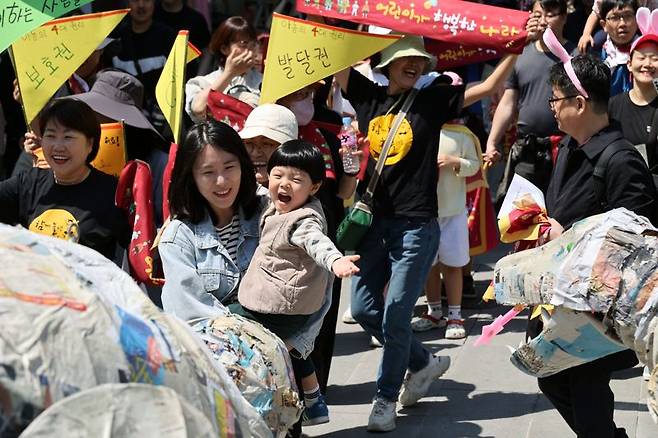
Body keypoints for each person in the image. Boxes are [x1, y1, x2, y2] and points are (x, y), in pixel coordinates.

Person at [333, 31, 530, 431]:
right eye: (405, 58)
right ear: (385, 63)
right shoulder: (368, 96)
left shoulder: (433, 98)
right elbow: (334, 58)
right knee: (365, 310)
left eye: (419, 59)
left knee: (395, 316)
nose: (414, 64)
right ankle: (423, 362)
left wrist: (517, 45)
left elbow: (491, 86)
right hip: (374, 223)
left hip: (416, 227)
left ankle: (385, 399)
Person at [538, 53, 656, 438]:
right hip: (566, 300)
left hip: (599, 312)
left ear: (579, 103)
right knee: (552, 380)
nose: (551, 108)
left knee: (585, 396)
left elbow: (638, 245)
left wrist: (566, 240)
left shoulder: (621, 161)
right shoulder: (569, 148)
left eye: (555, 99)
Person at [231, 140, 360, 427]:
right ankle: (314, 401)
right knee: (290, 347)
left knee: (231, 322)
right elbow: (262, 192)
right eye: (278, 175)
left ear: (314, 187)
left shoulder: (304, 220)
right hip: (281, 300)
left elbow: (317, 244)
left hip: (281, 305)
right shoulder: (276, 204)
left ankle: (276, 405)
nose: (284, 185)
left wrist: (337, 261)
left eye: (296, 179)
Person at [159, 119, 264, 321]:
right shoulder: (178, 238)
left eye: (229, 167)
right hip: (215, 348)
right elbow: (189, 311)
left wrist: (292, 343)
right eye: (208, 172)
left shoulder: (271, 212)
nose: (222, 181)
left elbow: (311, 283)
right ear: (191, 177)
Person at [0, 99, 129, 260]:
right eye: (51, 135)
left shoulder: (113, 193)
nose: (58, 146)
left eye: (68, 137)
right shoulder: (28, 182)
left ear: (90, 143)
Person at [486, 0, 574, 199]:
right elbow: (508, 103)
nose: (543, 21)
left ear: (564, 17)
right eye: (537, 15)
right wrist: (492, 142)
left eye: (550, 14)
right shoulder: (519, 55)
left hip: (565, 149)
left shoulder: (575, 56)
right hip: (527, 149)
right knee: (520, 213)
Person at [411, 118, 481, 339]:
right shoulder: (417, 126)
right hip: (424, 209)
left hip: (453, 210)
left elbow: (474, 165)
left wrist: (455, 161)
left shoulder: (462, 134)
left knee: (453, 263)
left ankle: (455, 315)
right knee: (428, 264)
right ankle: (434, 311)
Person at [111, 0, 177, 136]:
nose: (141, 5)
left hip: (161, 122)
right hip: (122, 121)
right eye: (135, 0)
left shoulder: (168, 36)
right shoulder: (115, 37)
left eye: (146, 0)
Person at [185, 16, 262, 123]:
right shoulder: (202, 82)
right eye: (243, 44)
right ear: (224, 49)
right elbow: (198, 109)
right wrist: (230, 73)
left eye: (253, 44)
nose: (249, 51)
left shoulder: (264, 82)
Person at [609, 25, 658, 171]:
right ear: (629, 64)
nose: (647, 64)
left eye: (655, 59)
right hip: (620, 186)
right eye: (641, 58)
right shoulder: (612, 105)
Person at [155, 0, 211, 77]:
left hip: (187, 81)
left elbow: (207, 53)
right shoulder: (149, 15)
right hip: (153, 80)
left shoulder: (195, 18)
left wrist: (198, 78)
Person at [595, 0, 640, 95]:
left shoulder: (649, 51)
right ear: (604, 25)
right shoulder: (596, 55)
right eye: (615, 18)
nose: (622, 23)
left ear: (637, 20)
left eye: (628, 16)